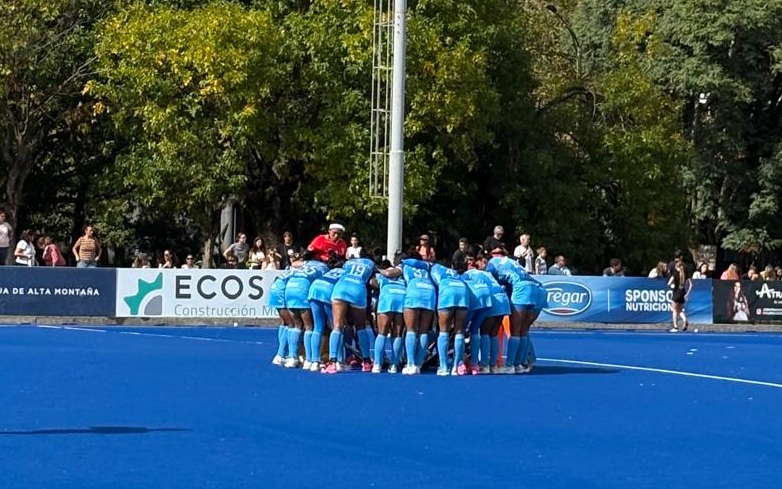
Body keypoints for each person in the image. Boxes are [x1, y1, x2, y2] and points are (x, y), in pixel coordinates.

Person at [485, 252, 548, 374]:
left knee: (515, 330)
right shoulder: (511, 262)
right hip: (538, 288)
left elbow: (489, 283)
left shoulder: (491, 264)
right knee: (523, 330)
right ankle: (519, 364)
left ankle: (510, 365)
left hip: (522, 287)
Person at [381, 250, 436, 375]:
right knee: (423, 331)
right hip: (429, 293)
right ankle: (418, 364)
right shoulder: (426, 267)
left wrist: (379, 270)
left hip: (414, 292)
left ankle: (410, 363)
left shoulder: (405, 265)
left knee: (411, 329)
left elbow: (390, 273)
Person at [324, 253, 377, 373]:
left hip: (341, 288)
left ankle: (333, 362)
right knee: (360, 326)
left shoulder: (348, 263)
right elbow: (372, 282)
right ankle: (367, 362)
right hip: (358, 289)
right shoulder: (371, 264)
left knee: (337, 326)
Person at [283, 252, 329, 368]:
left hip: (289, 289)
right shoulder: (322, 266)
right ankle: (309, 360)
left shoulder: (303, 264)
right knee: (309, 326)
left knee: (296, 325)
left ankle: (292, 357)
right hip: (302, 290)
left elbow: (293, 265)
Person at [429, 261, 471, 376]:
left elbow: (434, 285)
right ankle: (456, 366)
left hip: (447, 290)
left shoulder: (434, 268)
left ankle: (443, 367)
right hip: (462, 290)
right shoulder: (454, 272)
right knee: (459, 331)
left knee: (444, 330)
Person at [306, 261, 346, 372]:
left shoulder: (328, 271)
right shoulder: (346, 273)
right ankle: (338, 361)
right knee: (336, 326)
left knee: (318, 327)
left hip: (314, 288)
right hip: (328, 290)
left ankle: (314, 361)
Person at [373, 262, 407, 373]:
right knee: (397, 334)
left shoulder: (383, 274)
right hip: (401, 299)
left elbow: (372, 282)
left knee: (382, 333)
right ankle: (394, 365)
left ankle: (377, 364)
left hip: (387, 299)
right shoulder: (404, 277)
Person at [667, 258, 692, 332]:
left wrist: (671, 286)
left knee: (674, 310)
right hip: (682, 292)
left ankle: (675, 326)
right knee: (680, 310)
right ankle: (685, 320)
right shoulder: (684, 274)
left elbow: (669, 283)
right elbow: (691, 285)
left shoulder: (675, 274)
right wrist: (687, 294)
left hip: (676, 292)